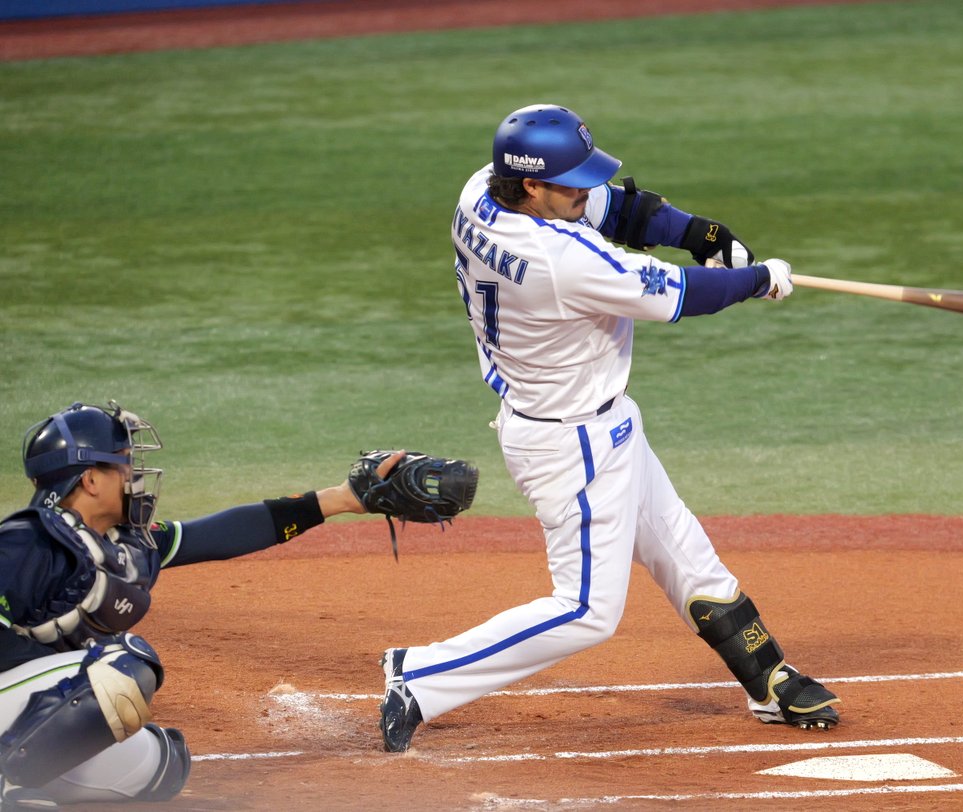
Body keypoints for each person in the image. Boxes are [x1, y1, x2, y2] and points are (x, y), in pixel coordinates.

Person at [378, 103, 840, 753]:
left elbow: (620, 210)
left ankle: (767, 679)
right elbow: (682, 295)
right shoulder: (559, 260)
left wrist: (699, 231)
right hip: (568, 444)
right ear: (533, 186)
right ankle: (420, 676)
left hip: (599, 418)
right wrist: (758, 280)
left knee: (680, 546)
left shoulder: (483, 191)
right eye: (571, 183)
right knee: (586, 611)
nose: (584, 192)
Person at [0, 401, 403, 810]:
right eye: (122, 463)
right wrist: (64, 669)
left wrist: (339, 499)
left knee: (163, 765)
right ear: (90, 480)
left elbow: (215, 535)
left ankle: (27, 774)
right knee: (122, 667)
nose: (134, 476)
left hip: (27, 706)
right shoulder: (28, 542)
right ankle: (14, 781)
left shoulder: (120, 543)